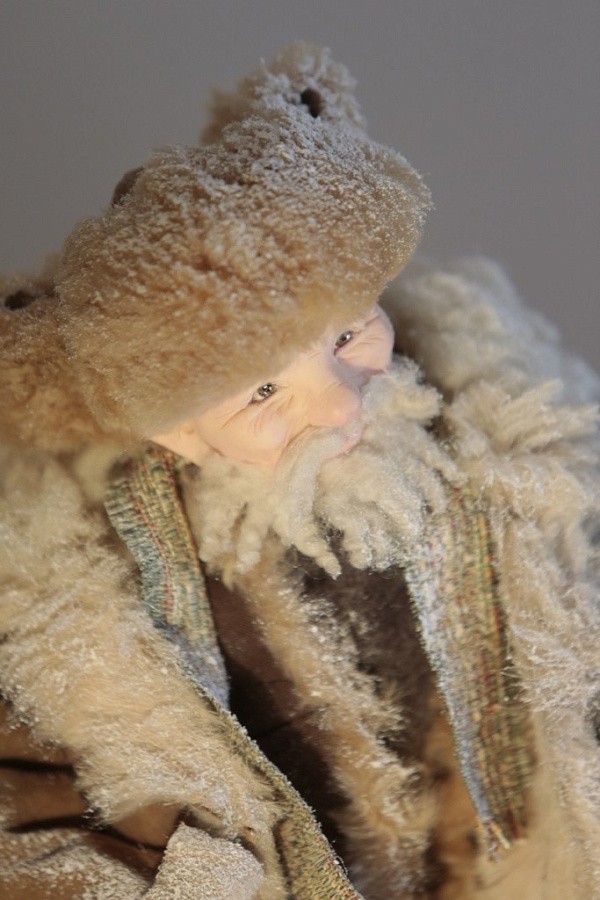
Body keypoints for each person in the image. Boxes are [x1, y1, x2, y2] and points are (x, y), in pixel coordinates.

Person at [0, 43, 598, 899]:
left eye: (349, 334)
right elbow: (56, 810)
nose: (344, 404)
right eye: (264, 391)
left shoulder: (495, 415)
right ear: (178, 432)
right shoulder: (80, 589)